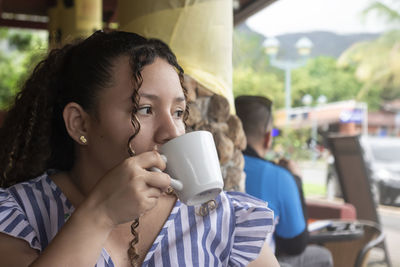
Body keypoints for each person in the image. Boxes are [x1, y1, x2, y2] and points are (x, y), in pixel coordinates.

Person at [0, 31, 279, 267]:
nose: (172, 131)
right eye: (145, 109)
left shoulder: (222, 219)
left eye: (179, 112)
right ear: (79, 124)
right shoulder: (18, 216)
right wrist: (100, 215)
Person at [235, 95, 333, 267]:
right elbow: (296, 244)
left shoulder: (210, 165)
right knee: (323, 256)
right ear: (267, 137)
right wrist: (296, 181)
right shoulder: (279, 176)